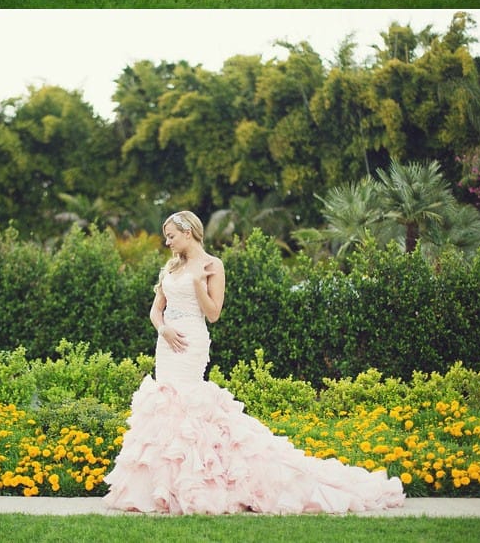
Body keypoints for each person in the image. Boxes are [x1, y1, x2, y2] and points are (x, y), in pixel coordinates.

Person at [102, 210, 405, 515]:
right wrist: (163, 328)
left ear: (188, 232)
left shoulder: (212, 266)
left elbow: (213, 313)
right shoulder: (169, 268)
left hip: (191, 342)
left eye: (171, 235)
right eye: (166, 236)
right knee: (166, 406)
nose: (167, 241)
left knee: (189, 406)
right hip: (166, 344)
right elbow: (156, 310)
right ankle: (163, 489)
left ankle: (202, 482)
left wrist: (197, 285)